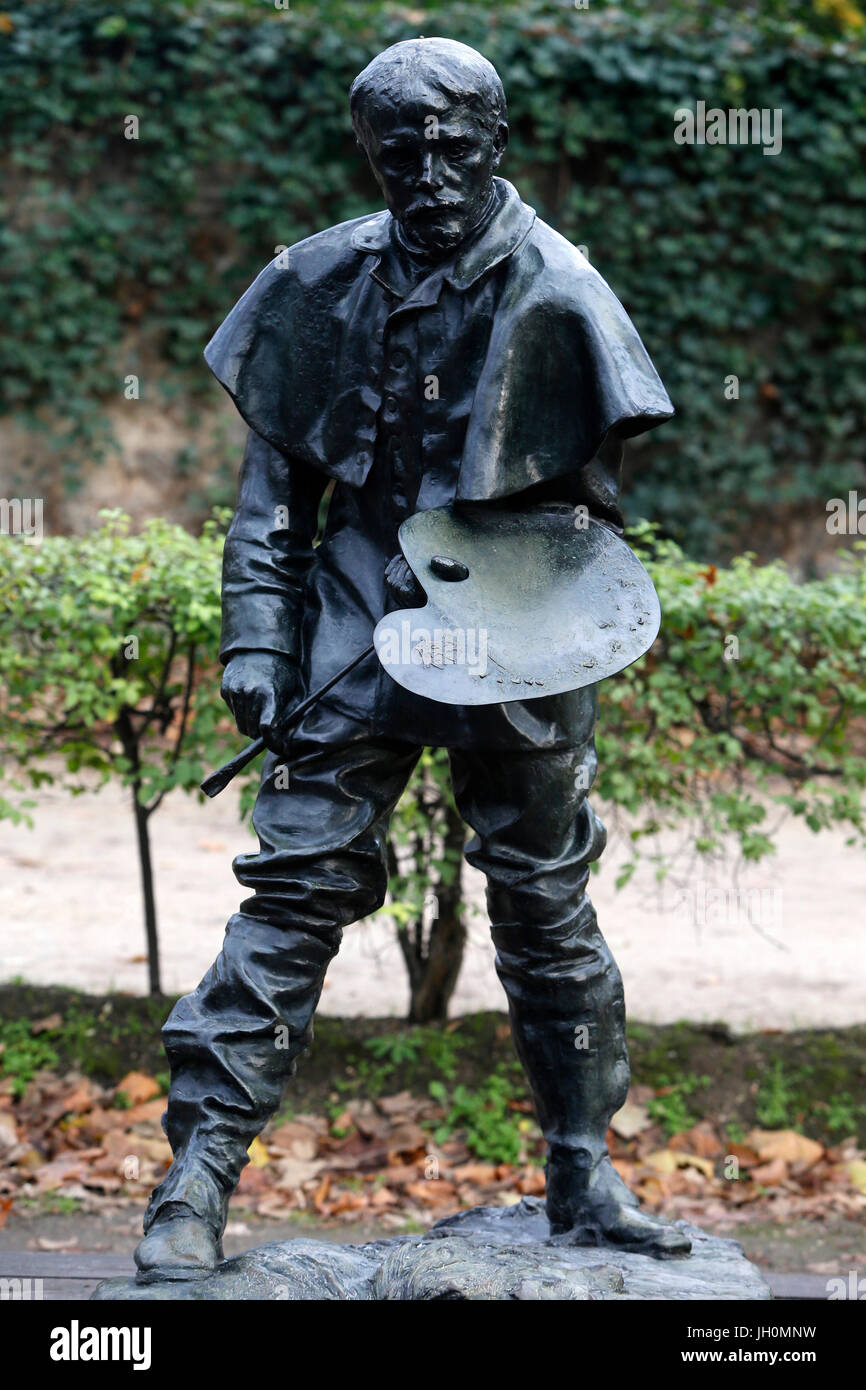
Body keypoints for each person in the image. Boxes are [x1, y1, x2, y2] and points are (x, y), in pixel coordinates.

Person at [135, 37, 688, 1283]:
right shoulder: (317, 280)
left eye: (452, 146)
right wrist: (259, 639)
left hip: (517, 617)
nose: (428, 173)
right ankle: (197, 1172)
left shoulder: (560, 290)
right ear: (368, 153)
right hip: (353, 618)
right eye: (401, 151)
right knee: (293, 889)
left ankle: (580, 1166)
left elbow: (585, 525)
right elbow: (273, 494)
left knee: (545, 903)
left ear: (496, 143)